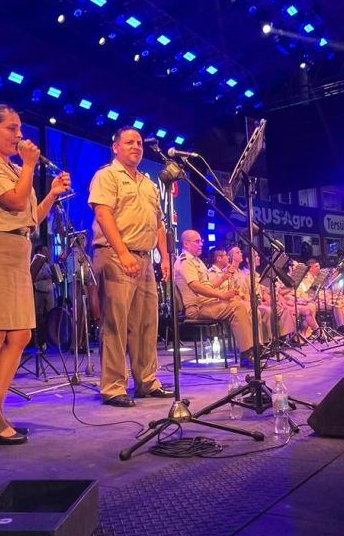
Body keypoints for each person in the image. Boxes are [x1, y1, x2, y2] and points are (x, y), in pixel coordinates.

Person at [0, 102, 71, 444]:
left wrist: (52, 193)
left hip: (15, 250)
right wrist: (28, 165)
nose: (20, 136)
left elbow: (28, 218)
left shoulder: (12, 169)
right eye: (12, 128)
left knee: (21, 334)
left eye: (20, 129)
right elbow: (12, 202)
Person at [89, 126, 172, 407]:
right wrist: (123, 253)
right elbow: (103, 213)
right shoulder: (107, 175)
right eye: (129, 142)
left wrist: (165, 256)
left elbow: (158, 222)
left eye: (138, 142)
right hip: (115, 255)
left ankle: (147, 382)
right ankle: (113, 387)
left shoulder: (148, 184)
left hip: (145, 258)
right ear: (116, 147)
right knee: (115, 324)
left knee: (147, 323)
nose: (136, 146)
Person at [174, 229, 255, 361]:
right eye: (197, 241)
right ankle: (247, 354)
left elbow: (209, 285)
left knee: (246, 306)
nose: (201, 244)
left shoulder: (197, 261)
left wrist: (224, 277)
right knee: (237, 307)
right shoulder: (185, 261)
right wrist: (222, 295)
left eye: (201, 241)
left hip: (208, 304)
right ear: (186, 244)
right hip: (197, 308)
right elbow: (195, 286)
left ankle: (255, 348)